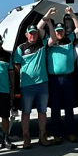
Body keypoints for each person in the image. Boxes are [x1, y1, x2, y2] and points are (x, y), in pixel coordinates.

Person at [39, 7, 78, 144]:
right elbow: (39, 28)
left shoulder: (69, 39)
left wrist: (72, 14)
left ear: (64, 31)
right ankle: (57, 135)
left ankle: (70, 133)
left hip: (69, 78)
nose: (59, 33)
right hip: (54, 80)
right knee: (55, 107)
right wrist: (48, 15)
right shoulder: (49, 42)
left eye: (61, 30)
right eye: (57, 31)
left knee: (69, 107)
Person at [13, 21, 53, 149]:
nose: (33, 35)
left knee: (42, 111)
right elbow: (16, 65)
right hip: (27, 85)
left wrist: (48, 22)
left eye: (35, 33)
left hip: (42, 84)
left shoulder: (42, 45)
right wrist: (24, 75)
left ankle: (43, 136)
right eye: (31, 33)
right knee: (26, 112)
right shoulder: (21, 48)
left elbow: (53, 38)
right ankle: (26, 137)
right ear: (26, 35)